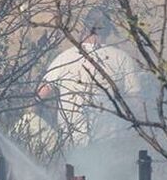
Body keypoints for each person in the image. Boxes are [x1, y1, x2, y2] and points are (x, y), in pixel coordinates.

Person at [37, 8, 148, 147]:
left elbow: (41, 94)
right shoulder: (122, 58)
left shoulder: (64, 58)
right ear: (108, 30)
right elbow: (136, 101)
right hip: (112, 141)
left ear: (85, 27)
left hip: (72, 140)